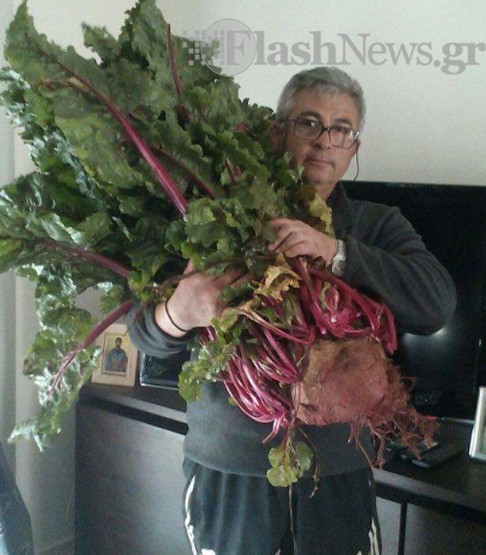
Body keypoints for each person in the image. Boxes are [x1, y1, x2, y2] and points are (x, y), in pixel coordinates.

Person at [127, 67, 456, 555]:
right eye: (308, 122)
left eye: (341, 129)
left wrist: (336, 253)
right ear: (277, 131)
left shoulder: (376, 225)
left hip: (339, 470)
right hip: (230, 467)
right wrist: (176, 313)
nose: (325, 140)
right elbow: (142, 333)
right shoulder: (215, 214)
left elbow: (436, 303)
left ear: (353, 148)